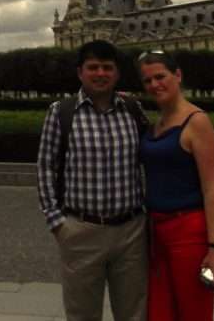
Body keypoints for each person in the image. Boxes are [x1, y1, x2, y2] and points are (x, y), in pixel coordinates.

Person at [38, 40, 148, 321]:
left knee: (135, 313)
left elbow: (153, 160)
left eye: (107, 68)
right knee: (82, 315)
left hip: (131, 232)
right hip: (81, 230)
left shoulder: (134, 111)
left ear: (117, 73)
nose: (101, 73)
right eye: (93, 67)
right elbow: (46, 167)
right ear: (80, 72)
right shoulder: (61, 112)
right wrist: (58, 223)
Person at [137, 51, 214, 321]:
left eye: (161, 76)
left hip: (189, 232)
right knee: (161, 313)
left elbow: (212, 190)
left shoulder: (197, 122)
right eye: (147, 81)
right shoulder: (157, 123)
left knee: (192, 313)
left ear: (177, 75)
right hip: (157, 232)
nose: (155, 85)